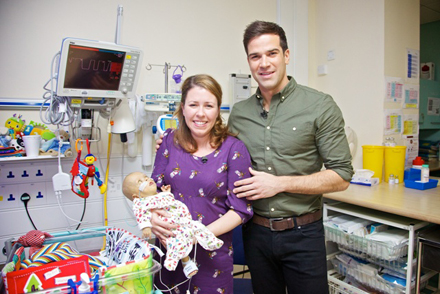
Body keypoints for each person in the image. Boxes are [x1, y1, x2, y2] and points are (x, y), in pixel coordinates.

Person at [227, 20, 354, 294]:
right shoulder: (239, 113)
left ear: (286, 55)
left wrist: (279, 183)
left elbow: (342, 175)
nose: (264, 63)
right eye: (255, 56)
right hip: (255, 234)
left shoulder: (320, 105)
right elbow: (218, 158)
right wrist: (173, 146)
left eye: (272, 53)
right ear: (248, 62)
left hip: (303, 234)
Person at [150, 74, 253, 293]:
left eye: (208, 105)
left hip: (211, 259)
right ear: (183, 108)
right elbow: (153, 191)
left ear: (218, 111)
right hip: (168, 253)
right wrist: (153, 218)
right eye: (193, 104)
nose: (200, 113)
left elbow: (240, 210)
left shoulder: (234, 150)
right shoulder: (168, 141)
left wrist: (194, 236)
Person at [122, 172, 224, 279]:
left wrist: (166, 192)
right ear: (135, 196)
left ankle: (211, 242)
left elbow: (168, 200)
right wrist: (145, 227)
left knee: (199, 227)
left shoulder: (159, 195)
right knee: (177, 243)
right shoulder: (141, 203)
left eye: (146, 177)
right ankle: (183, 262)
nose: (147, 180)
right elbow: (141, 214)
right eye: (140, 182)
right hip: (171, 228)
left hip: (184, 221)